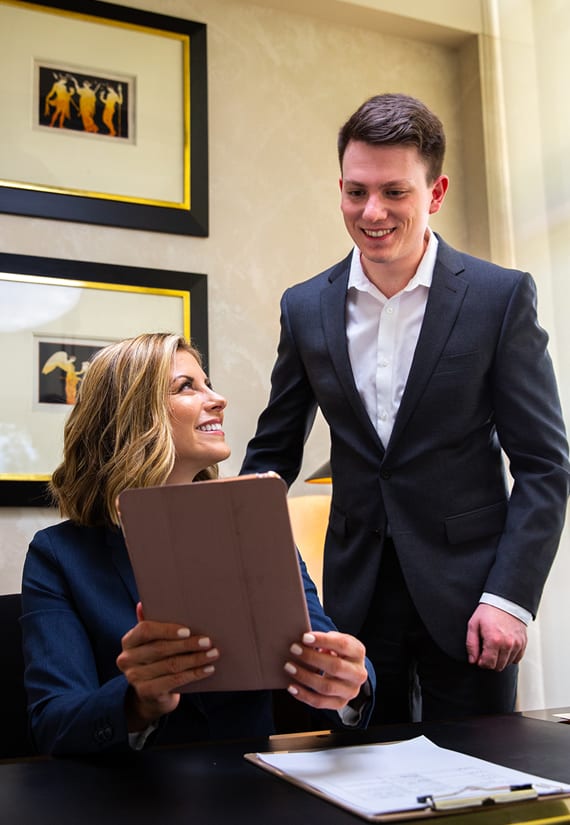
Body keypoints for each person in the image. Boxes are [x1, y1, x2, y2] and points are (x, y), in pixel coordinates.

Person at [241, 93, 570, 725]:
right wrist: (230, 550)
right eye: (356, 191)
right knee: (358, 781)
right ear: (339, 186)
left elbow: (544, 466)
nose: (372, 212)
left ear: (435, 192)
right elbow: (274, 451)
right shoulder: (304, 306)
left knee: (478, 791)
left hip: (473, 603)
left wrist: (511, 598)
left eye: (395, 192)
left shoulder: (499, 299)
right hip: (353, 608)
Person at [21, 333, 374, 756]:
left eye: (207, 383)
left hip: (253, 789)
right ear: (130, 415)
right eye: (188, 386)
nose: (218, 399)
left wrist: (351, 682)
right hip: (129, 797)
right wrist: (137, 701)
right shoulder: (58, 556)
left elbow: (323, 647)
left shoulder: (258, 527)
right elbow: (55, 724)